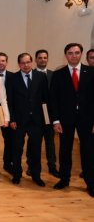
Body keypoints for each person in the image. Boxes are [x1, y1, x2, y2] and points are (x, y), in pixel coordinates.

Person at [50, 43, 94, 197]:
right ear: (65, 55)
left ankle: (90, 183)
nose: (74, 55)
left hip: (87, 120)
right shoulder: (58, 74)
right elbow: (53, 100)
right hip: (65, 120)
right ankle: (64, 179)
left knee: (88, 151)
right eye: (70, 53)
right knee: (64, 150)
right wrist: (55, 121)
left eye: (76, 52)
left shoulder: (91, 72)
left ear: (81, 54)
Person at [6, 53, 48, 187]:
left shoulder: (41, 77)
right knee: (17, 149)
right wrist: (11, 119)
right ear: (19, 64)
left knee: (35, 150)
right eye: (23, 63)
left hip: (37, 121)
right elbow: (10, 101)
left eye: (28, 62)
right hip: (18, 121)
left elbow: (45, 99)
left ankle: (36, 175)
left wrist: (47, 119)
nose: (26, 65)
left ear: (32, 62)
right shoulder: (12, 78)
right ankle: (17, 175)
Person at [27, 50, 59, 178]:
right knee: (33, 142)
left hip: (49, 113)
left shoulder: (54, 75)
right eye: (40, 58)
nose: (42, 60)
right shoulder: (30, 74)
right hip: (34, 114)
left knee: (50, 141)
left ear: (47, 59)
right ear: (35, 59)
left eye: (45, 58)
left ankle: (52, 166)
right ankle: (31, 166)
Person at [0, 52, 14, 175]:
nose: (0, 63)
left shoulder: (13, 76)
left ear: (6, 62)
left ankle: (7, 163)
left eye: (3, 60)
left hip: (7, 113)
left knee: (9, 140)